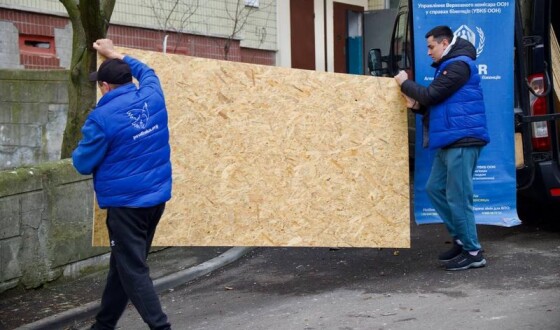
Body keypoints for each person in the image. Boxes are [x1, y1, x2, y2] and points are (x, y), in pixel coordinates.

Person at [72, 39, 173, 329]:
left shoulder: (101, 119)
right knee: (123, 266)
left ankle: (161, 326)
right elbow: (148, 71)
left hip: (126, 206)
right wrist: (117, 54)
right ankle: (103, 325)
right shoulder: (152, 94)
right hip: (155, 200)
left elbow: (82, 163)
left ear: (104, 87)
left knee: (133, 270)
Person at [394, 26, 490, 271]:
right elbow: (436, 104)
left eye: (431, 47)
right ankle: (461, 238)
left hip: (462, 140)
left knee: (459, 197)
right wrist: (416, 105)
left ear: (445, 43)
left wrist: (406, 84)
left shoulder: (459, 65)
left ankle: (473, 251)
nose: (428, 52)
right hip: (450, 140)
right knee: (434, 188)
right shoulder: (450, 67)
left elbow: (433, 95)